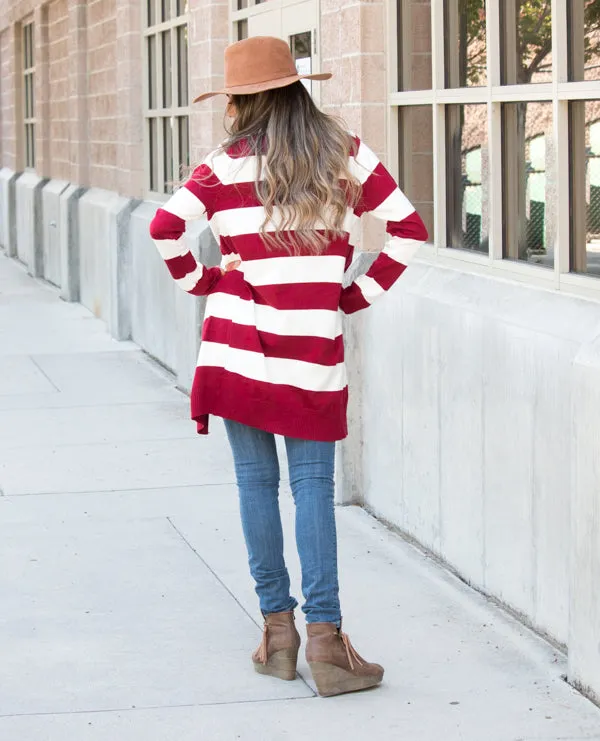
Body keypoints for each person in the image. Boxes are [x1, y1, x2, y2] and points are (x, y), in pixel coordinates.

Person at [149, 35, 428, 698]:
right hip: (312, 351)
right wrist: (351, 295)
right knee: (311, 488)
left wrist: (206, 279)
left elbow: (164, 227)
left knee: (254, 483)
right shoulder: (345, 154)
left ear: (242, 101)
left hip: (234, 347)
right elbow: (409, 230)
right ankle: (328, 641)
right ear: (297, 88)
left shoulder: (222, 165)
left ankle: (277, 637)